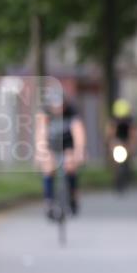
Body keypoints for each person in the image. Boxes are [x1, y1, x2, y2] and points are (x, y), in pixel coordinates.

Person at [35, 89, 86, 218]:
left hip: (68, 143)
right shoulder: (45, 112)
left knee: (70, 165)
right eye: (55, 107)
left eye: (61, 106)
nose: (58, 110)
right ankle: (49, 201)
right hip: (52, 143)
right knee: (48, 167)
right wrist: (40, 151)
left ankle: (73, 196)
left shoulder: (72, 111)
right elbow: (41, 133)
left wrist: (80, 151)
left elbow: (78, 132)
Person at [107, 98, 137, 186]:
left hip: (127, 140)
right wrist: (110, 143)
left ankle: (129, 170)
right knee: (114, 156)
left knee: (130, 153)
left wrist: (133, 143)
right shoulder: (114, 121)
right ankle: (115, 174)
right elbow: (110, 134)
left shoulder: (130, 120)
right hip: (118, 140)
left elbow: (134, 133)